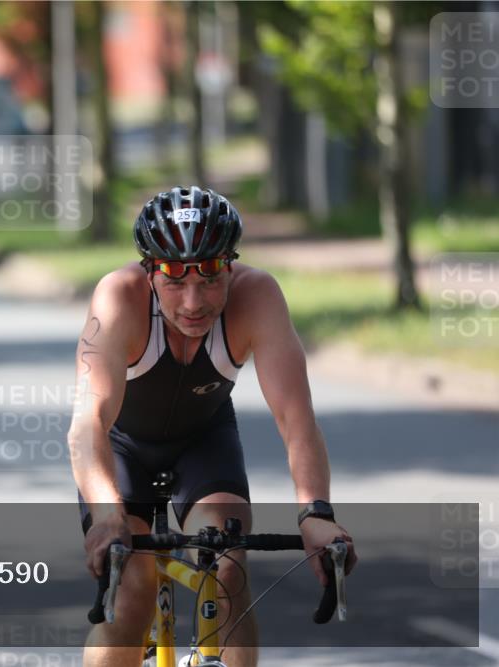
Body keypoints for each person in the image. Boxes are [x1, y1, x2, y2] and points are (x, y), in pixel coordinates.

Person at [68, 186, 357, 667]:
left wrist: (316, 514)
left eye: (210, 279)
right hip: (121, 448)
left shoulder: (258, 295)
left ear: (230, 265)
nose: (193, 302)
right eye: (175, 282)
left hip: (203, 441)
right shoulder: (117, 297)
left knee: (228, 563)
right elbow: (88, 424)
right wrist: (107, 515)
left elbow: (296, 419)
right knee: (132, 584)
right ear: (150, 270)